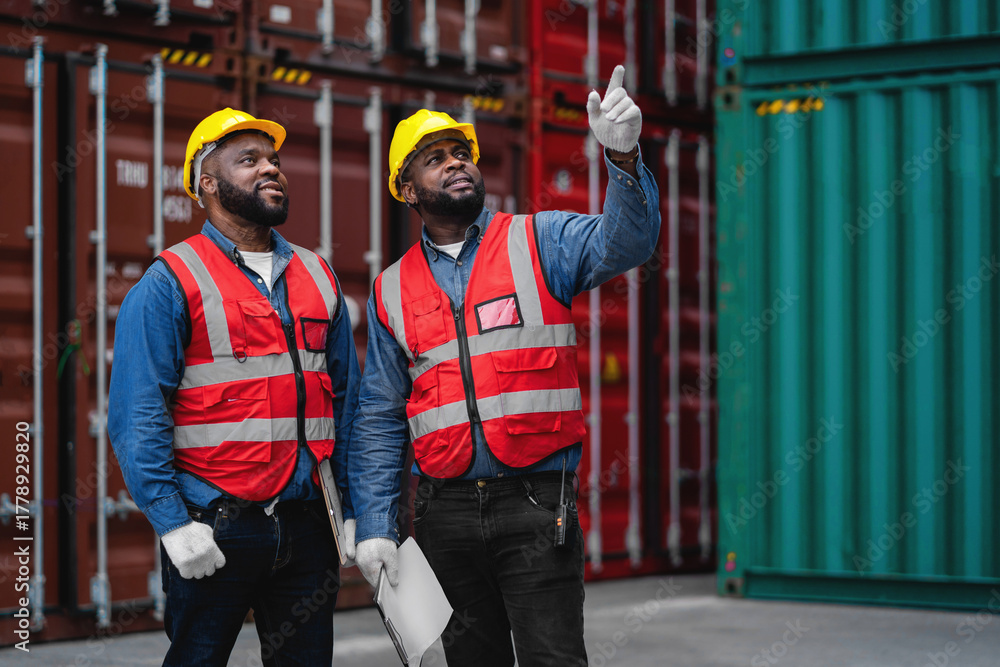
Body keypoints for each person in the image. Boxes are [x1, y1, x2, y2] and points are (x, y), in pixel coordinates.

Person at [347, 65, 659, 666]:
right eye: (434, 158)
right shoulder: (391, 291)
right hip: (444, 512)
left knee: (554, 660)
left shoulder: (539, 240)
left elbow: (628, 243)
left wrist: (622, 161)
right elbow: (381, 416)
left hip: (538, 503)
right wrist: (378, 525)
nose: (456, 162)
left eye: (461, 152)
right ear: (406, 189)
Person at [108, 108, 359, 666]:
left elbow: (350, 405)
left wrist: (358, 509)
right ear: (207, 182)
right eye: (248, 161)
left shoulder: (319, 276)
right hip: (215, 530)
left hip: (308, 527)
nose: (271, 170)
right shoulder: (170, 282)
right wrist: (173, 524)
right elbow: (137, 413)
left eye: (274, 159)